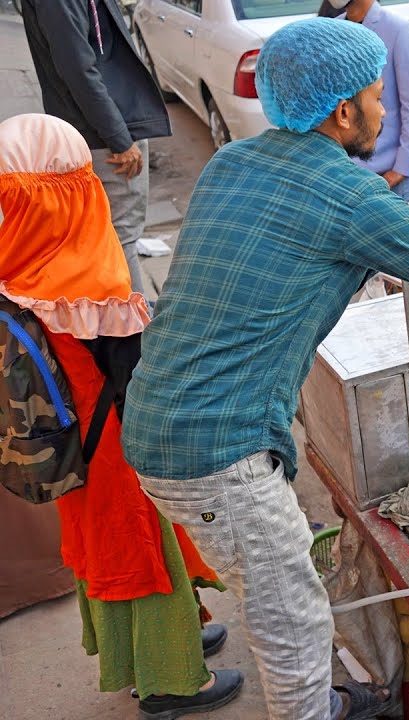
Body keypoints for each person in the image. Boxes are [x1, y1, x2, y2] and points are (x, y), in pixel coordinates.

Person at [120, 19, 409, 720]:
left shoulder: (235, 162)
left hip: (156, 415)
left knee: (276, 596)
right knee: (295, 623)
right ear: (343, 112)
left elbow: (333, 224)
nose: (387, 110)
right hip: (216, 451)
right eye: (377, 97)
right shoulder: (348, 196)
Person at [0, 113, 241, 719]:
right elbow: (141, 373)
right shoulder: (85, 275)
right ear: (69, 189)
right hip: (113, 447)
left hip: (65, 445)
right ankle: (169, 681)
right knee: (138, 548)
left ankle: (147, 647)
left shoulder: (16, 260)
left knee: (101, 544)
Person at [20, 0, 171, 295]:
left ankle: (123, 327)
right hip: (103, 136)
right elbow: (78, 70)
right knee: (120, 236)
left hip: (102, 130)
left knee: (112, 236)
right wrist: (119, 138)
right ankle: (133, 333)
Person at [329, 0, 409, 201]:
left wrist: (402, 169)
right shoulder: (334, 30)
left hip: (387, 176)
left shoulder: (400, 31)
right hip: (344, 176)